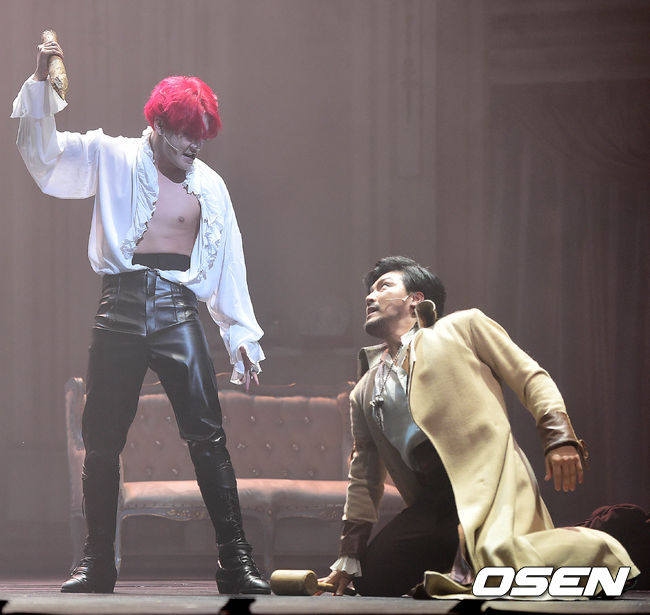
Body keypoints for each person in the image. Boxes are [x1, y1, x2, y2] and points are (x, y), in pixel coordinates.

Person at [12, 38, 270, 595]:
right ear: (156, 124)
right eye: (185, 133)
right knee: (102, 440)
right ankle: (96, 563)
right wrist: (40, 87)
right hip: (120, 307)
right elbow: (48, 158)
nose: (194, 145)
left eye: (202, 135)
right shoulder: (111, 155)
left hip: (178, 311)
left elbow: (230, 261)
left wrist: (240, 335)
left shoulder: (211, 187)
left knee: (208, 437)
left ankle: (236, 561)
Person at [322, 256, 638, 598]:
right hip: (432, 499)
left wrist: (559, 438)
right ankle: (458, 563)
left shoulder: (463, 327)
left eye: (383, 286)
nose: (370, 297)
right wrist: (349, 555)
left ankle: (601, 550)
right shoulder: (365, 388)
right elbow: (364, 475)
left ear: (415, 299)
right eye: (369, 291)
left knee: (499, 559)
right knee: (374, 578)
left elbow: (529, 376)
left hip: (488, 481)